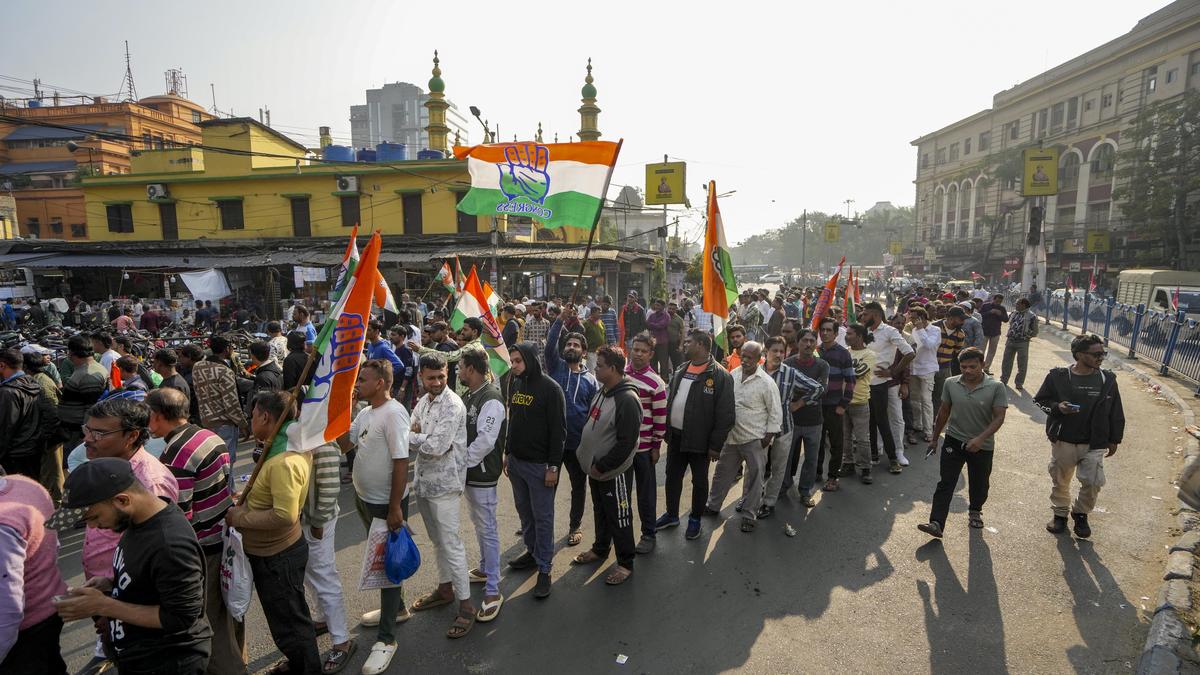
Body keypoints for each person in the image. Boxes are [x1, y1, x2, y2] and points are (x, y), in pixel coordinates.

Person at [50, 458, 211, 674]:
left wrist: (104, 606)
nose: (92, 526)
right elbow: (150, 578)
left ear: (123, 500)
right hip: (140, 654)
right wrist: (110, 583)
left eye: (94, 517)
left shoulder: (170, 544)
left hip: (169, 661)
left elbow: (181, 617)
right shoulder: (140, 520)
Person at [76, 399, 180, 675]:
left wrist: (114, 604)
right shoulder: (105, 469)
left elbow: (159, 564)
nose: (88, 439)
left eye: (99, 433)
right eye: (87, 430)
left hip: (134, 607)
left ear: (132, 435)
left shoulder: (150, 483)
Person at [146, 388, 244, 675]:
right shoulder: (208, 435)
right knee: (227, 615)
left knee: (208, 624)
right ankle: (239, 659)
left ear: (158, 415)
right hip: (221, 535)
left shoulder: (177, 453)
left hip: (203, 546)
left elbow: (180, 515)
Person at [225, 390, 320, 674]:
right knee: (288, 617)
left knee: (290, 623)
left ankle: (307, 668)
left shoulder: (284, 461)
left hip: (278, 556)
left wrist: (240, 517)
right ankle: (299, 663)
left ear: (265, 417)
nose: (250, 419)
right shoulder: (278, 446)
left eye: (252, 415)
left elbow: (285, 515)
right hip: (272, 553)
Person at [337, 361, 411, 675]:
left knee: (387, 568)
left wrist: (395, 507)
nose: (358, 385)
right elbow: (346, 444)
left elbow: (401, 462)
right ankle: (398, 608)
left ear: (380, 383)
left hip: (386, 504)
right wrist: (344, 412)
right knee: (385, 564)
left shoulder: (394, 414)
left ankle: (386, 639)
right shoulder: (367, 413)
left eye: (363, 380)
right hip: (365, 500)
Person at [405, 353, 476, 638]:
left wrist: (418, 437)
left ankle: (467, 605)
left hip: (446, 484)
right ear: (421, 376)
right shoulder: (423, 402)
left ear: (448, 374)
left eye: (442, 376)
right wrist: (421, 437)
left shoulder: (453, 404)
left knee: (451, 543)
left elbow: (436, 446)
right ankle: (445, 588)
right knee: (437, 541)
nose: (436, 382)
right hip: (423, 482)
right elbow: (408, 434)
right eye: (431, 377)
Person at [1034, 334, 1124, 539]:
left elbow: (1116, 411)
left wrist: (1114, 439)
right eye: (1096, 354)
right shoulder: (1058, 376)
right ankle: (1060, 515)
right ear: (1079, 355)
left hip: (1094, 441)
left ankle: (1081, 513)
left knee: (1093, 482)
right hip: (1064, 439)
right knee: (1061, 479)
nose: (1101, 357)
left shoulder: (1107, 379)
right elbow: (1040, 400)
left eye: (1103, 353)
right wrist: (1058, 408)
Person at [917, 348, 1008, 538]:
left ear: (983, 365)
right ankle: (936, 523)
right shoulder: (951, 383)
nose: (967, 371)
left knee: (980, 483)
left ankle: (975, 510)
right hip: (954, 440)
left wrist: (980, 439)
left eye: (972, 367)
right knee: (946, 482)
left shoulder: (996, 387)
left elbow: (999, 417)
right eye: (963, 367)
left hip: (982, 445)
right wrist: (934, 439)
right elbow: (943, 412)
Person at [570, 346, 641, 584]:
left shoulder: (627, 400)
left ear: (613, 368)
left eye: (600, 365)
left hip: (613, 472)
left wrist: (603, 466)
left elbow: (626, 444)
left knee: (619, 516)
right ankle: (600, 548)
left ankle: (625, 562)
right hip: (596, 470)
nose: (595, 368)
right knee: (601, 510)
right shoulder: (604, 390)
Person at [657, 330, 735, 540]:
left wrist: (715, 446)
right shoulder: (682, 369)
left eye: (688, 342)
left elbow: (726, 415)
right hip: (676, 438)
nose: (683, 345)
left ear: (700, 344)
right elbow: (671, 400)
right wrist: (666, 428)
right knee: (672, 478)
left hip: (700, 442)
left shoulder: (720, 375)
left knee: (700, 482)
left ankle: (695, 520)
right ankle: (672, 515)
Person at [503, 342, 566, 599]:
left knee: (543, 518)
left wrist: (553, 467)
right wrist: (508, 452)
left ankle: (544, 568)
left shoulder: (551, 389)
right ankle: (532, 552)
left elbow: (558, 433)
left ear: (529, 359)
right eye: (512, 360)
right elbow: (513, 419)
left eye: (518, 360)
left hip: (540, 467)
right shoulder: (515, 383)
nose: (514, 365)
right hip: (517, 463)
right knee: (525, 514)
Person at [705, 341, 782, 533]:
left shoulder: (766, 382)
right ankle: (713, 506)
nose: (746, 360)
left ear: (759, 359)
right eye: (743, 356)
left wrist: (767, 438)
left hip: (755, 439)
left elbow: (775, 413)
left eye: (750, 357)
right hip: (732, 438)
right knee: (722, 474)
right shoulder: (733, 375)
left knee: (755, 479)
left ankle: (749, 515)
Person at [0, 471, 68, 675]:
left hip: (19, 636)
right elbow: (53, 545)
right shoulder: (26, 485)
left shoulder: (4, 522)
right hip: (49, 606)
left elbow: (7, 610)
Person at [458, 349, 506, 623]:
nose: (459, 372)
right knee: (479, 524)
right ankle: (486, 568)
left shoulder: (492, 399)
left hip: (482, 474)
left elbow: (486, 441)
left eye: (462, 367)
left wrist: (459, 463)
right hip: (470, 474)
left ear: (473, 369)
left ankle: (492, 590)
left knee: (487, 527)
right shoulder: (470, 395)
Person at [544, 314, 598, 548]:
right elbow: (549, 345)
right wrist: (559, 320)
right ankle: (542, 525)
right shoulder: (555, 367)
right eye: (568, 344)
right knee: (547, 488)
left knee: (579, 487)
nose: (571, 347)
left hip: (578, 444)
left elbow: (595, 414)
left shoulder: (591, 380)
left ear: (583, 352)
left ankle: (574, 527)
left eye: (576, 345)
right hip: (553, 444)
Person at [301, 435, 353, 672]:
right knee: (310, 573)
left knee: (323, 575)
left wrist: (318, 521)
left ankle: (342, 641)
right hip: (302, 520)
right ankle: (322, 618)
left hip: (317, 520)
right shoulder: (295, 435)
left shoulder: (322, 441)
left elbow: (331, 487)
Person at [760, 336, 823, 517]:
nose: (779, 354)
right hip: (759, 428)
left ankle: (769, 502)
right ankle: (750, 499)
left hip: (784, 427)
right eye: (775, 350)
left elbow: (818, 389)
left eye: (782, 351)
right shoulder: (757, 371)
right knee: (755, 467)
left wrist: (798, 404)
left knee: (779, 467)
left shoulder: (790, 373)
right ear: (766, 351)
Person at [624, 333, 667, 553]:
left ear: (651, 354)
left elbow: (660, 419)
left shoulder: (656, 383)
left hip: (644, 449)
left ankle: (648, 534)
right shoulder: (621, 375)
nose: (638, 354)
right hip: (622, 449)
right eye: (636, 349)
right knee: (622, 495)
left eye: (643, 351)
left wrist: (656, 446)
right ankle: (622, 533)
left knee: (645, 493)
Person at [859, 302, 913, 473]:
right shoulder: (864, 331)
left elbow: (910, 353)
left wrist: (893, 372)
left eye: (865, 314)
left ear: (875, 315)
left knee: (883, 421)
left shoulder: (890, 331)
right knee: (870, 421)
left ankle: (893, 459)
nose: (863, 317)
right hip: (864, 384)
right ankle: (874, 455)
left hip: (880, 385)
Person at [781, 329, 829, 504]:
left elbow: (822, 390)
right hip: (790, 421)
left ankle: (805, 491)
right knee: (785, 457)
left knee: (811, 459)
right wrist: (810, 392)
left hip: (814, 421)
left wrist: (798, 402)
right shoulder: (787, 364)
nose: (808, 344)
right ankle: (783, 486)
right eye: (805, 341)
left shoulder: (822, 365)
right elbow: (786, 389)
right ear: (798, 342)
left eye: (812, 341)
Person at [191, 337, 246, 468]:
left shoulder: (197, 367)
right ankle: (226, 488)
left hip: (206, 421)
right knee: (226, 463)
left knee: (214, 463)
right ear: (227, 349)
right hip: (225, 424)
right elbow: (231, 404)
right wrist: (243, 424)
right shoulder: (224, 371)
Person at [815, 317, 854, 491]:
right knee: (817, 442)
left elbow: (851, 381)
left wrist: (843, 405)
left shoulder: (843, 353)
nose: (824, 333)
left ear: (836, 333)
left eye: (829, 330)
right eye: (822, 329)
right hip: (816, 405)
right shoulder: (816, 352)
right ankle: (816, 473)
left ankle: (832, 477)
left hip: (834, 406)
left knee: (836, 444)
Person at [0, 349, 45, 478]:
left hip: (15, 454)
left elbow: (5, 427)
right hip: (33, 449)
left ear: (2, 365)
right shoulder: (34, 383)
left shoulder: (8, 392)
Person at [843, 325, 877, 484]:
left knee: (863, 438)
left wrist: (841, 372)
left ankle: (865, 468)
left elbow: (858, 373)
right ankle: (848, 464)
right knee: (845, 437)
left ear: (860, 336)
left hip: (860, 401)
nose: (847, 336)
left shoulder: (869, 354)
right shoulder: (845, 352)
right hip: (842, 401)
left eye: (850, 334)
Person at [907, 306, 942, 444]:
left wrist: (921, 329)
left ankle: (928, 431)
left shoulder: (935, 330)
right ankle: (918, 425)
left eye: (914, 318)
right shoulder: (914, 330)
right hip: (914, 368)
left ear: (922, 318)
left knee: (926, 400)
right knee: (915, 399)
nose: (911, 320)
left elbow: (929, 345)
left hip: (928, 369)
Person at [931, 306, 968, 425]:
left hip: (945, 368)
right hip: (928, 366)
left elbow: (957, 351)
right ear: (951, 318)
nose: (963, 322)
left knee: (940, 396)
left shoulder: (960, 334)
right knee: (925, 396)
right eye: (960, 319)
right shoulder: (934, 327)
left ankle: (933, 421)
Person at [1000, 298, 1039, 390]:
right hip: (1010, 340)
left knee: (1022, 363)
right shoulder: (1014, 313)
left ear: (1023, 305)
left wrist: (1027, 336)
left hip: (1022, 342)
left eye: (1017, 304)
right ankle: (1004, 380)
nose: (1016, 305)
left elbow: (1035, 331)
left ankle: (1019, 382)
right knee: (1006, 361)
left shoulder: (1032, 316)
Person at [980, 294, 1009, 373]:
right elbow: (980, 316)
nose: (998, 303)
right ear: (993, 299)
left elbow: (1006, 319)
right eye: (997, 301)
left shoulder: (1002, 308)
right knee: (981, 350)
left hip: (995, 332)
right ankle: (979, 367)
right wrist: (990, 312)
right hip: (984, 331)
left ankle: (986, 368)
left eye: (1000, 301)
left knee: (992, 351)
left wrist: (1000, 314)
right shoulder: (985, 306)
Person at [645, 299, 671, 378]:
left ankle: (664, 380)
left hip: (662, 342)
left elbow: (661, 325)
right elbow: (647, 324)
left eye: (658, 305)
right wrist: (654, 325)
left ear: (663, 306)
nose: (656, 307)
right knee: (653, 362)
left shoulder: (666, 316)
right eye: (655, 305)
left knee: (663, 362)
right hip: (653, 342)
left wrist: (653, 325)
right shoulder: (652, 315)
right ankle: (654, 379)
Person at [666, 301, 686, 371]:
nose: (671, 310)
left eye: (673, 309)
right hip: (664, 343)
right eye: (669, 308)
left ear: (676, 310)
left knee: (676, 362)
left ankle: (675, 378)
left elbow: (683, 333)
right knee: (664, 362)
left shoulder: (679, 319)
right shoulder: (664, 317)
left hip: (674, 343)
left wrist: (681, 345)